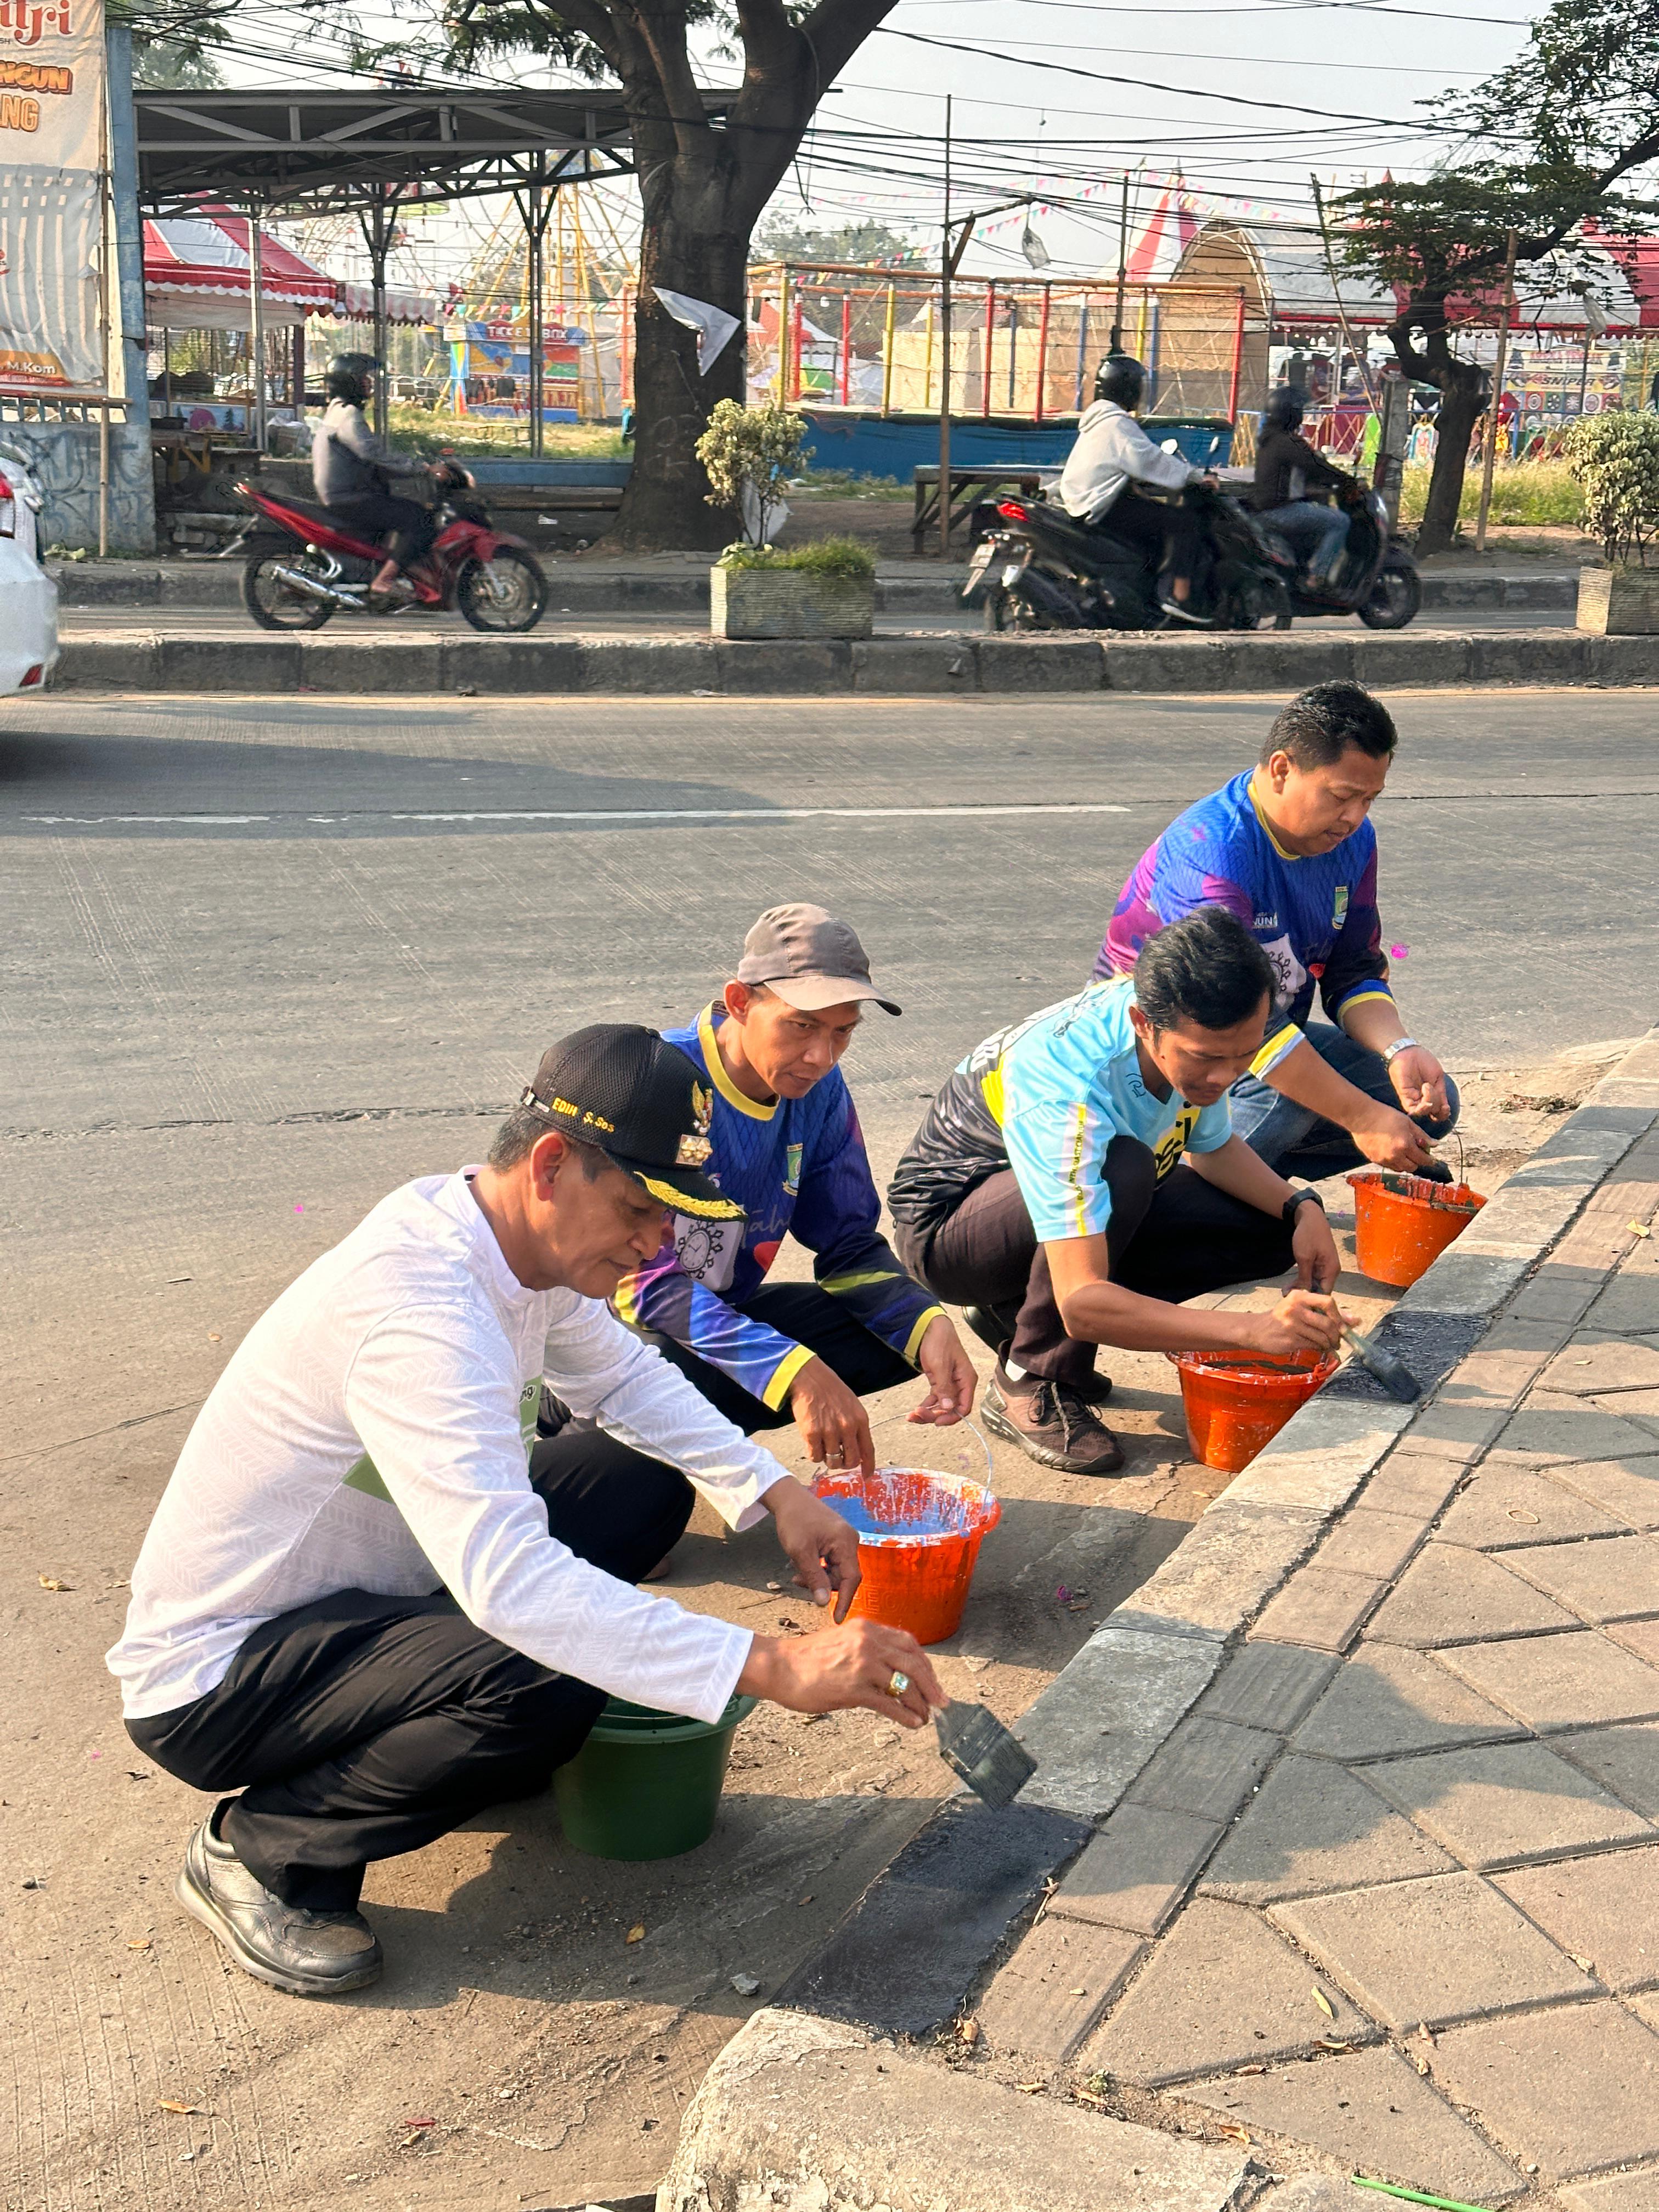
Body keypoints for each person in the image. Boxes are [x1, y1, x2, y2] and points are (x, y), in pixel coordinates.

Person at [106, 1024, 943, 1999]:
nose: (655, 1243)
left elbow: (624, 1375)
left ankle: (438, 1736)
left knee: (634, 1487)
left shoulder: (503, 1244)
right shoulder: (420, 1311)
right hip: (223, 1670)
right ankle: (264, 1850)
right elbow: (510, 1582)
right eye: (639, 1208)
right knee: (544, 1672)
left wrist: (774, 1490)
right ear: (551, 1165)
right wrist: (774, 1664)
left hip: (380, 1588)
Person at [888, 909, 1344, 1477]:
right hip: (950, 1228)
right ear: (1142, 1023)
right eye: (1206, 1059)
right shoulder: (1069, 1089)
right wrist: (1253, 1332)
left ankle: (1017, 1314)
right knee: (1123, 1165)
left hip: (1045, 1199)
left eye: (1243, 1056)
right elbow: (1082, 1304)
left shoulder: (1186, 1022)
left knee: (1266, 1227)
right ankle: (1035, 1377)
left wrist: (1302, 1209)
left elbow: (1213, 1146)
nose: (1227, 1077)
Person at [602, 904, 980, 1487]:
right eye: (801, 1025)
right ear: (740, 1002)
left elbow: (848, 1242)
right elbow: (636, 1282)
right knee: (645, 1512)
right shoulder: (664, 1081)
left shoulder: (820, 1090)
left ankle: (687, 1442)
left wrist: (926, 1324)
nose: (821, 1057)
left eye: (842, 1032)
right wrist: (794, 1371)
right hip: (614, 1325)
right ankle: (617, 1446)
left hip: (719, 1311)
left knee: (895, 1332)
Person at [1097, 681, 1458, 1180]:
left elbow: (1353, 973)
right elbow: (1232, 1017)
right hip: (1164, 1051)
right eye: (1342, 796)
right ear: (1283, 770)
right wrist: (1359, 1117)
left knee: (1424, 1105)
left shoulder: (1353, 843)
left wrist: (1400, 1049)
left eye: (1370, 800)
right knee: (1289, 1101)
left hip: (1259, 1035)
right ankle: (1172, 1189)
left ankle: (1250, 1182)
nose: (1355, 817)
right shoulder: (1212, 853)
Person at [1057, 351, 1216, 624]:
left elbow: (1131, 463)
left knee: (1156, 520)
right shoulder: (1116, 425)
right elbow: (1150, 459)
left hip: (1087, 503)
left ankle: (1148, 592)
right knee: (1184, 522)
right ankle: (1178, 596)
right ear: (1129, 389)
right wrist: (1195, 477)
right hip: (1100, 507)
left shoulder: (1098, 422)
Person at [311, 352, 438, 606]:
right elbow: (372, 453)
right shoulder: (348, 417)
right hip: (350, 498)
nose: (368, 383)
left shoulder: (337, 412)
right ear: (348, 382)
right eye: (362, 377)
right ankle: (385, 581)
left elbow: (368, 459)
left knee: (396, 510)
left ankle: (375, 575)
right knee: (419, 519)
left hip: (343, 495)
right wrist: (422, 468)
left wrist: (408, 467)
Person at [1249, 387, 1354, 586]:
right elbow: (1316, 466)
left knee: (1317, 512)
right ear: (1291, 413)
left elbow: (1301, 472)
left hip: (1266, 510)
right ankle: (1317, 577)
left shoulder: (1269, 440)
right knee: (1340, 521)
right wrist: (1347, 481)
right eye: (1299, 411)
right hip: (1280, 511)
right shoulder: (1287, 442)